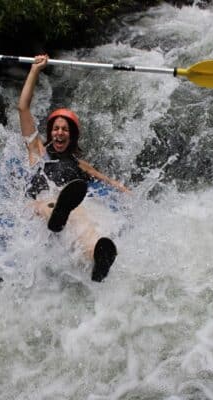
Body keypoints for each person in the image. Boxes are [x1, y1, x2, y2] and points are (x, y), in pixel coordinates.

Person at [18, 54, 129, 282]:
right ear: (51, 133)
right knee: (49, 204)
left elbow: (109, 182)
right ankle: (57, 216)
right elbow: (23, 108)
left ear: (72, 135)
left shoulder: (79, 164)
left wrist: (128, 193)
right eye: (56, 129)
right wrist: (34, 71)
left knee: (83, 220)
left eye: (65, 130)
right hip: (38, 204)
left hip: (67, 204)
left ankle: (96, 259)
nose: (60, 132)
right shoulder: (38, 150)